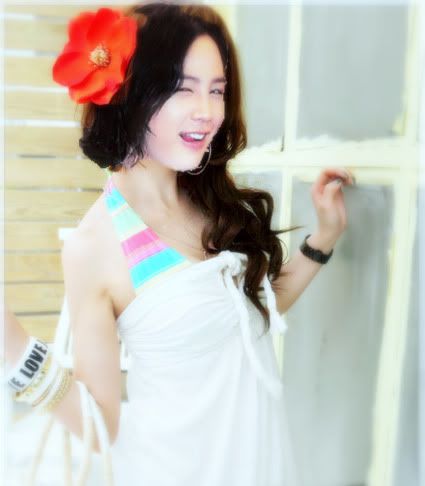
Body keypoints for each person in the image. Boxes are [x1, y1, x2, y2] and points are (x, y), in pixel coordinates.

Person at [3, 3, 355, 485]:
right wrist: (16, 348)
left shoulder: (212, 202)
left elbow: (248, 314)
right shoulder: (97, 243)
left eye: (217, 90)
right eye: (182, 89)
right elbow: (101, 424)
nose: (207, 112)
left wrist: (323, 238)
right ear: (131, 94)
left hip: (261, 466)